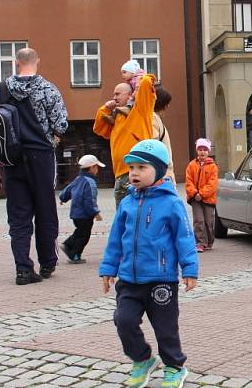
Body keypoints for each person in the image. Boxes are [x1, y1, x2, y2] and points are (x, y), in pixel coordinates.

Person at [99, 139, 198, 388]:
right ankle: (142, 359)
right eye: (131, 167)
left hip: (161, 280)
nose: (134, 173)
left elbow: (185, 237)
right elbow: (115, 239)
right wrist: (109, 268)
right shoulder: (127, 203)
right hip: (129, 280)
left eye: (141, 167)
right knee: (124, 320)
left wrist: (189, 269)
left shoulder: (172, 202)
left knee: (165, 328)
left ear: (159, 170)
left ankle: (175, 366)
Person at [0, 47, 68, 285]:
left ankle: (23, 268)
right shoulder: (48, 88)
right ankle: (47, 263)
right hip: (41, 156)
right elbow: (61, 123)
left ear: (16, 63)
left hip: (11, 157)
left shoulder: (2, 88)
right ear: (38, 62)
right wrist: (52, 137)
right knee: (45, 210)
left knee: (18, 214)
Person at [93, 74, 156, 209]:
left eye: (117, 94)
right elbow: (98, 129)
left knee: (137, 213)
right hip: (119, 175)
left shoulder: (140, 111)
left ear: (130, 96)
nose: (114, 97)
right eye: (113, 94)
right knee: (122, 216)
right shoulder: (117, 116)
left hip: (137, 172)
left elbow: (146, 82)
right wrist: (105, 108)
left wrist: (137, 78)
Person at [59, 154, 105, 264]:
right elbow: (89, 200)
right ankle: (75, 254)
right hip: (85, 214)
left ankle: (67, 244)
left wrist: (62, 198)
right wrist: (95, 213)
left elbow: (67, 190)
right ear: (92, 168)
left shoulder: (78, 179)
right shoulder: (91, 182)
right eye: (96, 167)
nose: (97, 169)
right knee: (84, 236)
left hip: (75, 214)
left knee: (80, 231)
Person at [185, 138, 219, 253]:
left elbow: (212, 183)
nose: (202, 152)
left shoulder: (213, 166)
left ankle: (209, 242)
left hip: (208, 199)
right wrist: (195, 193)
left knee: (209, 221)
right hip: (195, 199)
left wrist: (202, 193)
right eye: (200, 149)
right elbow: (188, 181)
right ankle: (200, 243)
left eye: (205, 149)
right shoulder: (191, 165)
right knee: (199, 220)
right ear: (197, 151)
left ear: (208, 151)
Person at [152, 85, 175, 182]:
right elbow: (155, 146)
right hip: (162, 173)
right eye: (167, 103)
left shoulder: (155, 118)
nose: (168, 107)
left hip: (164, 171)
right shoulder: (152, 118)